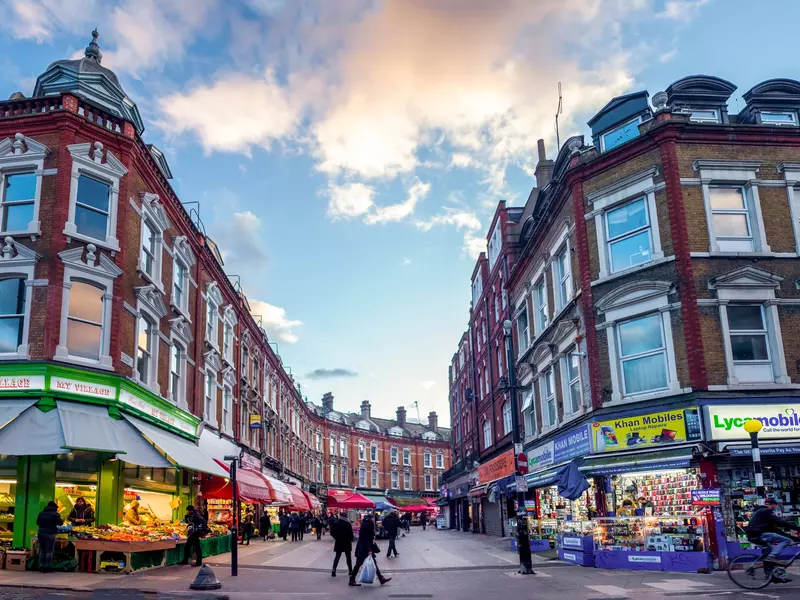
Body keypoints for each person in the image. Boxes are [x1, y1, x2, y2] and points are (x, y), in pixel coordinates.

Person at [745, 497, 800, 580]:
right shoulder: (766, 511)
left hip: (753, 535)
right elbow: (779, 522)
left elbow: (774, 529)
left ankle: (771, 576)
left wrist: (793, 537)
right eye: (775, 506)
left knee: (768, 552)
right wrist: (796, 528)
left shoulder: (760, 512)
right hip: (760, 534)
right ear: (772, 505)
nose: (775, 508)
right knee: (785, 541)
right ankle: (771, 558)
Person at [350, 514, 391, 587]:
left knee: (373, 563)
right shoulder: (367, 526)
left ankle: (381, 578)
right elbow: (366, 540)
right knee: (358, 564)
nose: (373, 519)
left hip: (363, 548)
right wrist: (369, 550)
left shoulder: (366, 525)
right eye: (372, 518)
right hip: (363, 549)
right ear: (369, 519)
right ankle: (352, 580)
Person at [36, 501, 63, 572]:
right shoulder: (55, 514)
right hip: (50, 533)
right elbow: (60, 523)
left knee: (42, 550)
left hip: (41, 533)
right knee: (49, 551)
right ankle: (48, 566)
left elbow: (37, 522)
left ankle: (41, 566)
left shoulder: (41, 513)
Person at [330, 512, 353, 578]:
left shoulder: (336, 523)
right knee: (348, 557)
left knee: (337, 557)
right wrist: (351, 539)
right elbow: (351, 534)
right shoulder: (348, 524)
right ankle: (350, 571)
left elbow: (332, 532)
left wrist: (336, 537)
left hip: (339, 542)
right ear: (345, 516)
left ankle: (333, 570)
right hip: (347, 542)